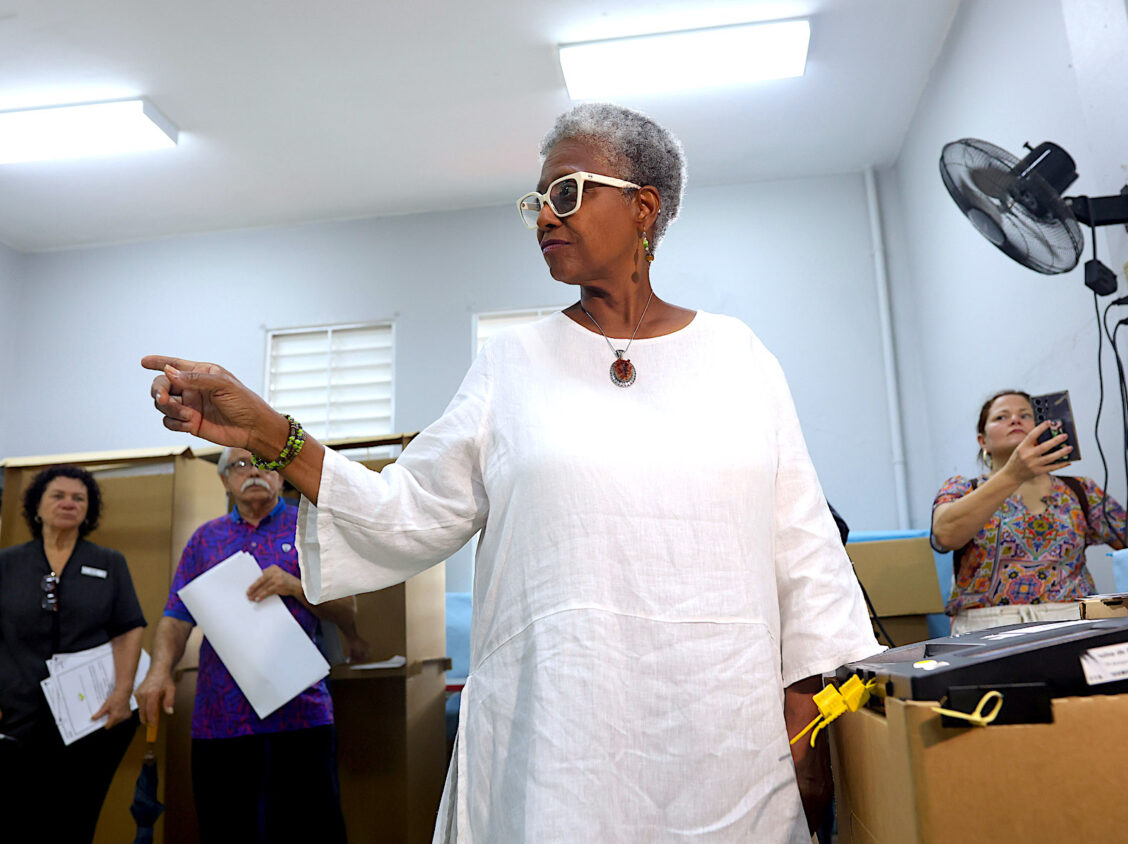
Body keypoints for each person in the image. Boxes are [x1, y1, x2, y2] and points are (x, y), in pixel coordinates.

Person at [142, 103, 880, 842]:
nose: (543, 218)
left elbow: (805, 552)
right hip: (559, 741)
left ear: (643, 207)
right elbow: (405, 510)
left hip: (727, 740)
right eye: (536, 202)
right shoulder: (511, 365)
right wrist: (268, 431)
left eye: (567, 192)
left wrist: (810, 716)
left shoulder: (738, 358)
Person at [133, 447, 367, 844]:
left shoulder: (307, 530)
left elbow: (349, 611)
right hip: (221, 716)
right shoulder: (205, 539)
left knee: (310, 826)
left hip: (300, 710)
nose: (253, 471)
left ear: (281, 476)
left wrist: (297, 588)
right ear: (224, 480)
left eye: (264, 463)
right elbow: (176, 614)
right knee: (227, 827)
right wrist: (159, 671)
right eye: (239, 465)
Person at [0, 465, 146, 843]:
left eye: (78, 498)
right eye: (58, 496)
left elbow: (130, 627)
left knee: (76, 818)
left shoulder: (109, 562)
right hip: (18, 715)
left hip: (92, 715)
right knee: (19, 818)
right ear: (37, 507)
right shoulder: (8, 563)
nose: (69, 503)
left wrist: (122, 693)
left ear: (88, 509)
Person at [931, 389, 1128, 634]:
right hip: (986, 631)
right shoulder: (961, 488)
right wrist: (1012, 475)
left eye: (1025, 415)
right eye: (1001, 417)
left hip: (1073, 625)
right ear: (982, 440)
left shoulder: (1081, 490)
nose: (1015, 420)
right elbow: (945, 535)